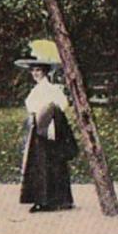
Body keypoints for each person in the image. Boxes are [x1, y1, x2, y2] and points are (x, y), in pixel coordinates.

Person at [16, 56, 76, 213]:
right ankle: (44, 199)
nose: (36, 73)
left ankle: (55, 200)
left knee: (52, 162)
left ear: (45, 72)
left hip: (51, 128)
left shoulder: (51, 89)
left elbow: (62, 105)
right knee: (40, 164)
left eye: (39, 70)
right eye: (33, 70)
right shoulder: (35, 90)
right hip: (38, 128)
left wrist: (50, 112)